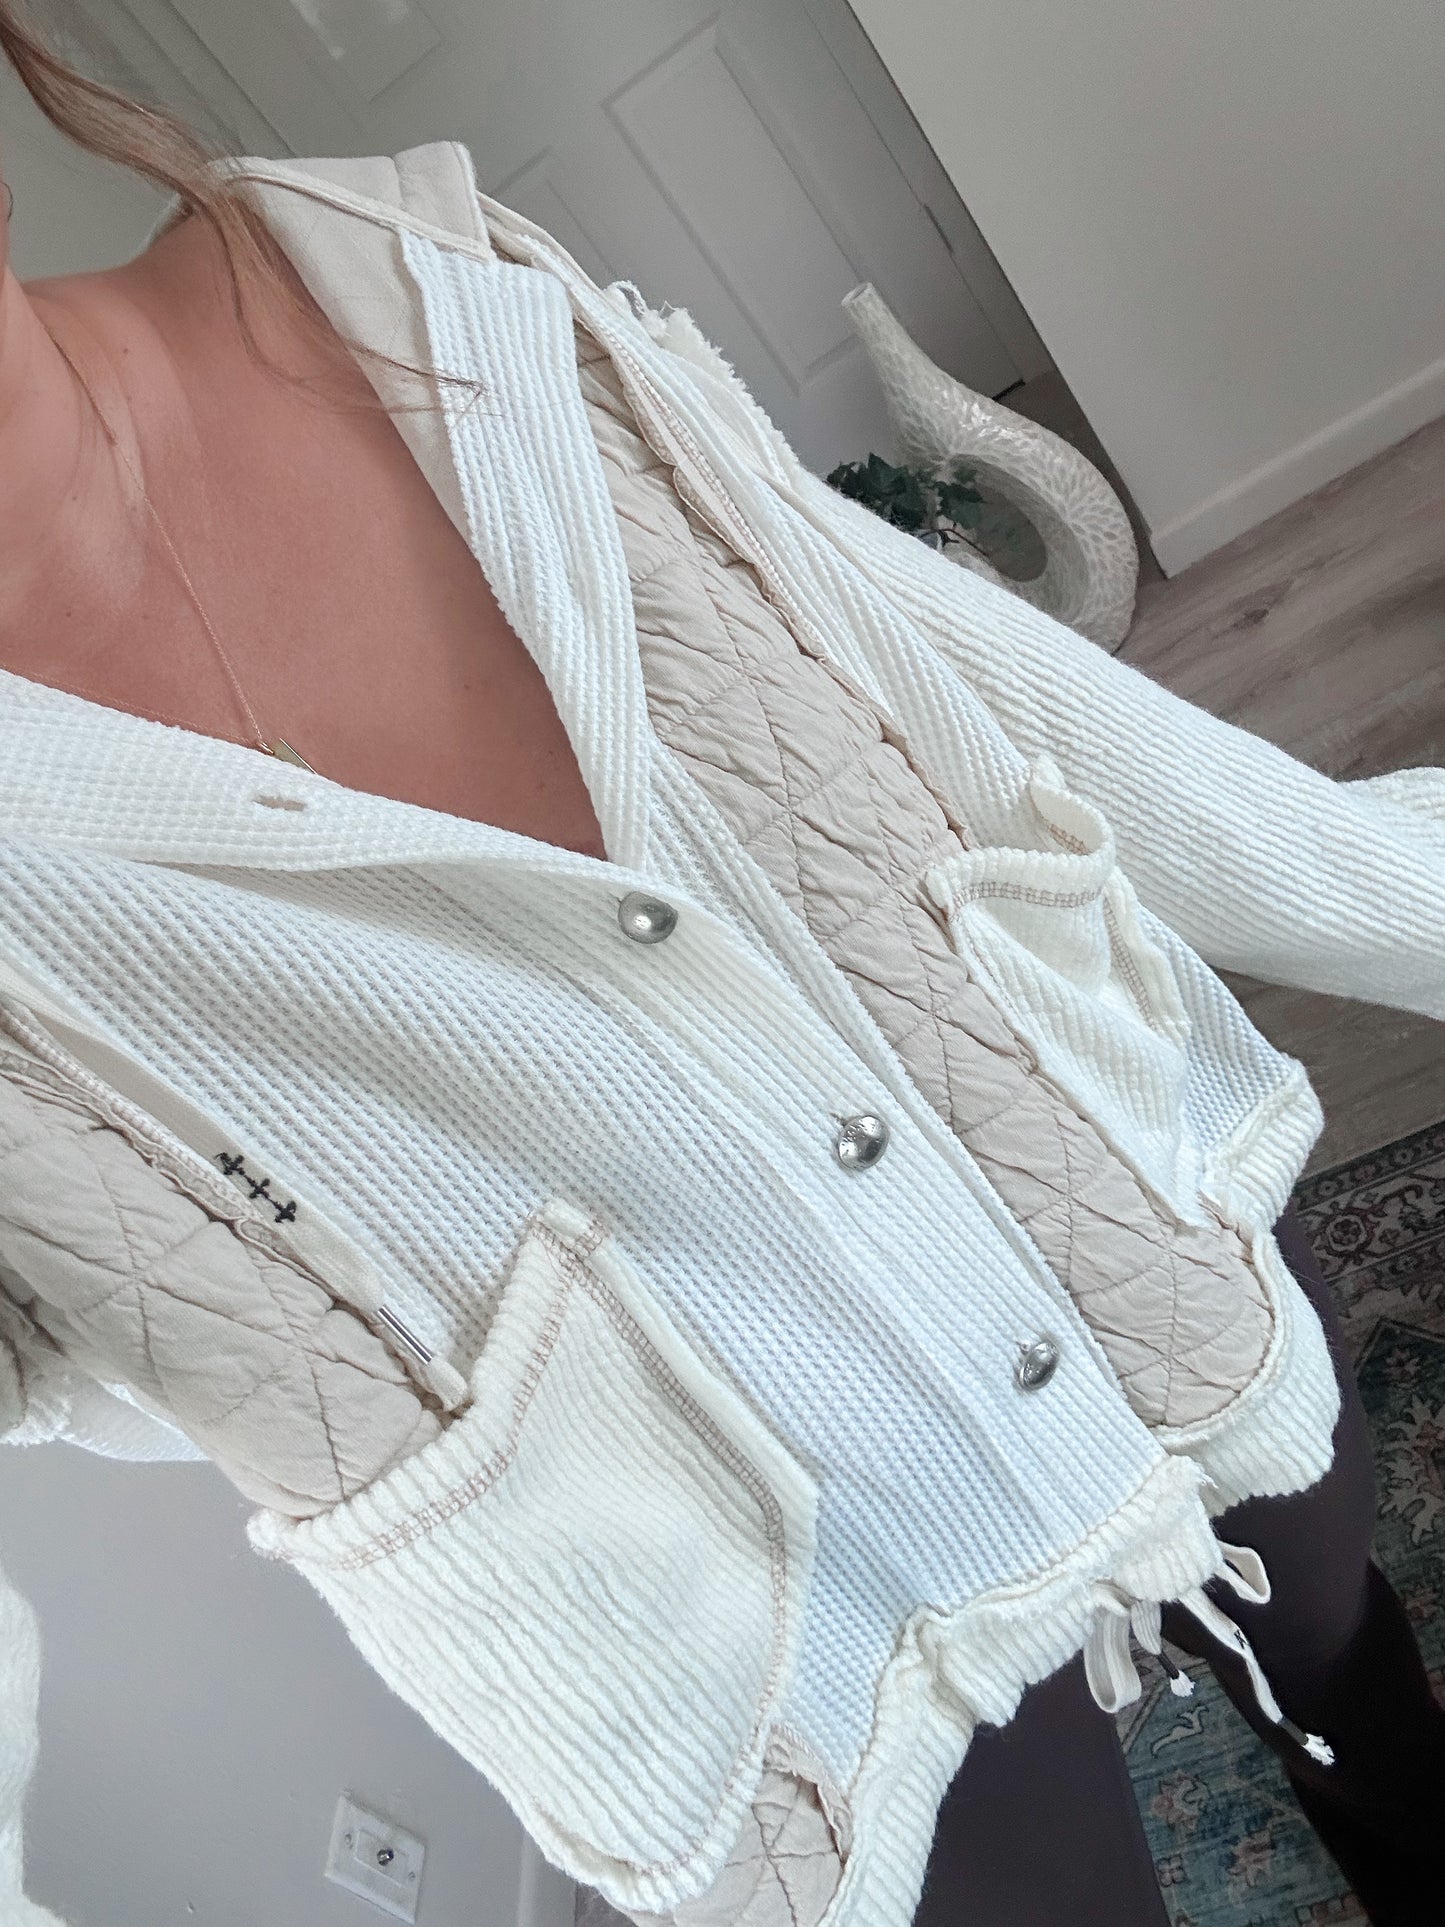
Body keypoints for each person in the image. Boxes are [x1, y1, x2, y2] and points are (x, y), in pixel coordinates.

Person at [0, 12, 1442, 1925]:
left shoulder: (417, 283)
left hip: (1102, 1240)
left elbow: (975, 695)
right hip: (765, 1648)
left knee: (1348, 1680)